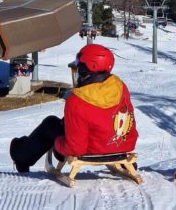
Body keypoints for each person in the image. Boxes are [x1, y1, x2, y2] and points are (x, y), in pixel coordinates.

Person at [9, 44, 138, 172]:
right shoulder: (121, 87)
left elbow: (75, 148)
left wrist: (57, 143)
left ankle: (21, 157)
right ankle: (121, 162)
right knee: (70, 122)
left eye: (79, 63)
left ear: (86, 69)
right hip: (122, 146)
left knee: (50, 124)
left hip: (91, 151)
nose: (77, 67)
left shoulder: (77, 100)